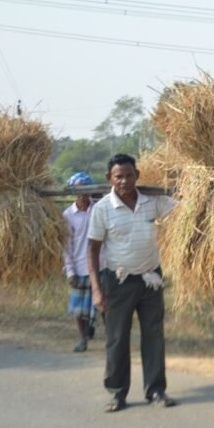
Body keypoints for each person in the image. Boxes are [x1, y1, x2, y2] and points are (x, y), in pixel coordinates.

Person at [88, 153, 178, 413]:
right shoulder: (102, 209)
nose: (124, 181)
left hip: (150, 280)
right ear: (109, 178)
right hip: (117, 281)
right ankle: (117, 393)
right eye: (119, 176)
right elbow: (92, 250)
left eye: (129, 175)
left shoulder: (153, 202)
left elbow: (183, 209)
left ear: (137, 176)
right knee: (117, 338)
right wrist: (96, 289)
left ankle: (156, 390)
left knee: (154, 335)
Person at [62, 172, 101, 352]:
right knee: (79, 309)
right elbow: (66, 246)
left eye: (86, 189)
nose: (82, 194)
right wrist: (70, 271)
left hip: (100, 265)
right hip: (79, 266)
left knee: (104, 304)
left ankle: (108, 338)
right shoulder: (68, 215)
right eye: (78, 190)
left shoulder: (99, 209)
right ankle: (83, 339)